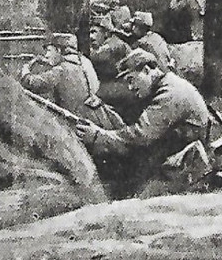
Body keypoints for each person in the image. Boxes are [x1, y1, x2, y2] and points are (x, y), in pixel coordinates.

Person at [76, 48, 210, 193]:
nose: (130, 87)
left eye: (131, 80)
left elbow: (140, 136)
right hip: (177, 159)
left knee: (134, 198)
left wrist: (97, 136)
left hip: (182, 168)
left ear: (146, 70)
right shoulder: (168, 85)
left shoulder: (170, 93)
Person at [21, 33, 121, 129]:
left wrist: (26, 69)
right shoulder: (86, 62)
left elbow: (31, 83)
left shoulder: (60, 70)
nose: (46, 55)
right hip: (101, 120)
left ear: (59, 50)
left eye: (49, 50)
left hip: (78, 127)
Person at [89, 11, 137, 121]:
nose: (91, 37)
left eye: (94, 32)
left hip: (129, 89)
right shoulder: (113, 43)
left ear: (106, 33)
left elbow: (96, 56)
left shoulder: (114, 44)